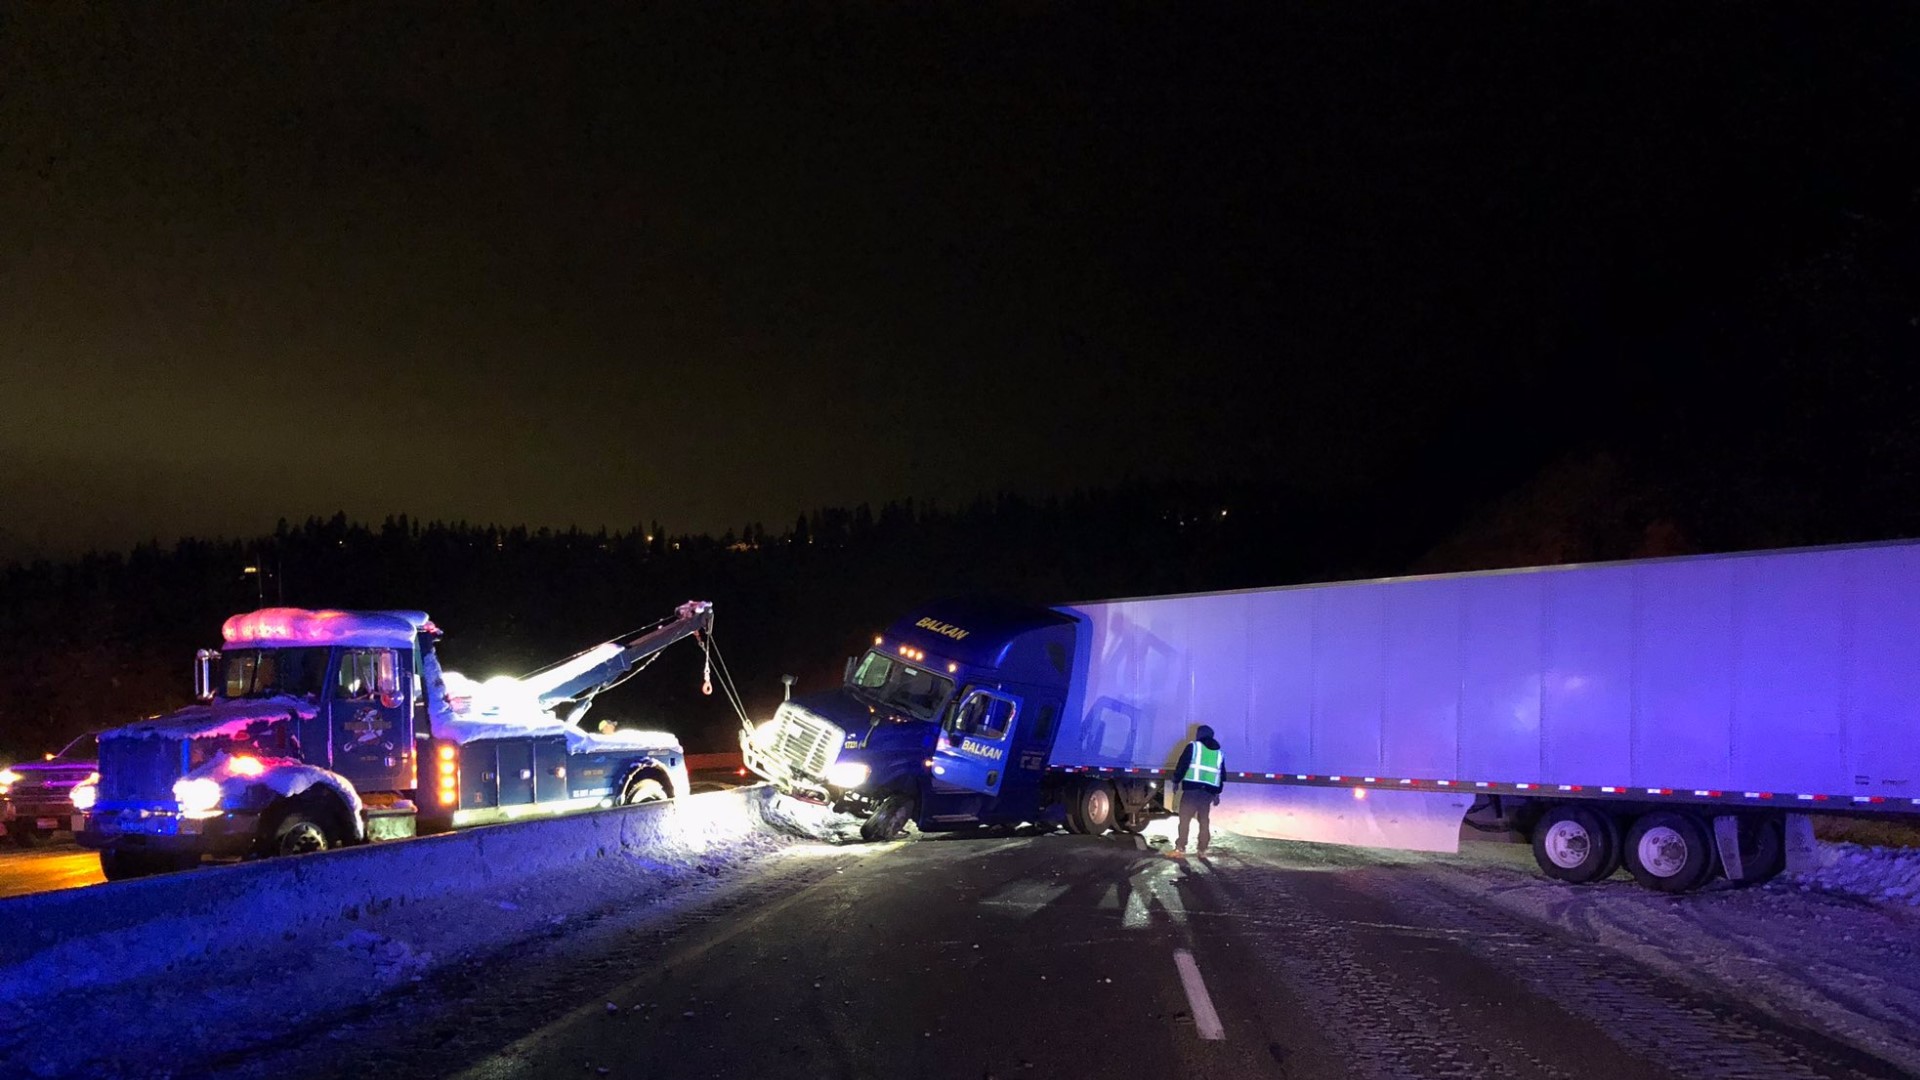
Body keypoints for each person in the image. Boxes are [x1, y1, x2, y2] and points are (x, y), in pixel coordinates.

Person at [1171, 724, 1224, 856]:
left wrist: (1176, 781)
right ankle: (1202, 849)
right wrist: (1217, 794)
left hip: (1191, 791)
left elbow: (1182, 765)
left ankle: (1181, 846)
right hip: (1207, 793)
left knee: (1184, 819)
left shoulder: (1193, 747)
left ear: (1200, 735)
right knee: (1204, 820)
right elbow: (1221, 775)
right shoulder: (1218, 753)